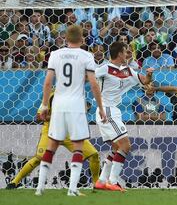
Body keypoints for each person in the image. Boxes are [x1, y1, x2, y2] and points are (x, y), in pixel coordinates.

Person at [35, 25, 106, 196]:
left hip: (58, 104)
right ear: (82, 39)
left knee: (51, 146)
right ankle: (72, 189)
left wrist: (45, 105)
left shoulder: (55, 54)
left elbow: (47, 82)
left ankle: (39, 188)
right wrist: (101, 108)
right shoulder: (86, 56)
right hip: (76, 105)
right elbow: (94, 84)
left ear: (65, 38)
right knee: (78, 147)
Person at [6, 89, 100, 190]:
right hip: (51, 131)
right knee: (38, 159)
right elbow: (39, 117)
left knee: (93, 155)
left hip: (69, 131)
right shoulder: (51, 95)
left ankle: (96, 184)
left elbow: (86, 107)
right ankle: (14, 182)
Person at [94, 42, 153, 191]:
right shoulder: (105, 69)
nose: (128, 54)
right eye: (126, 51)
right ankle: (113, 181)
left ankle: (101, 181)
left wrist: (149, 75)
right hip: (106, 111)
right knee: (126, 146)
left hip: (114, 111)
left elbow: (145, 81)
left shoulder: (128, 71)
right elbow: (88, 78)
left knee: (116, 148)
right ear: (120, 54)